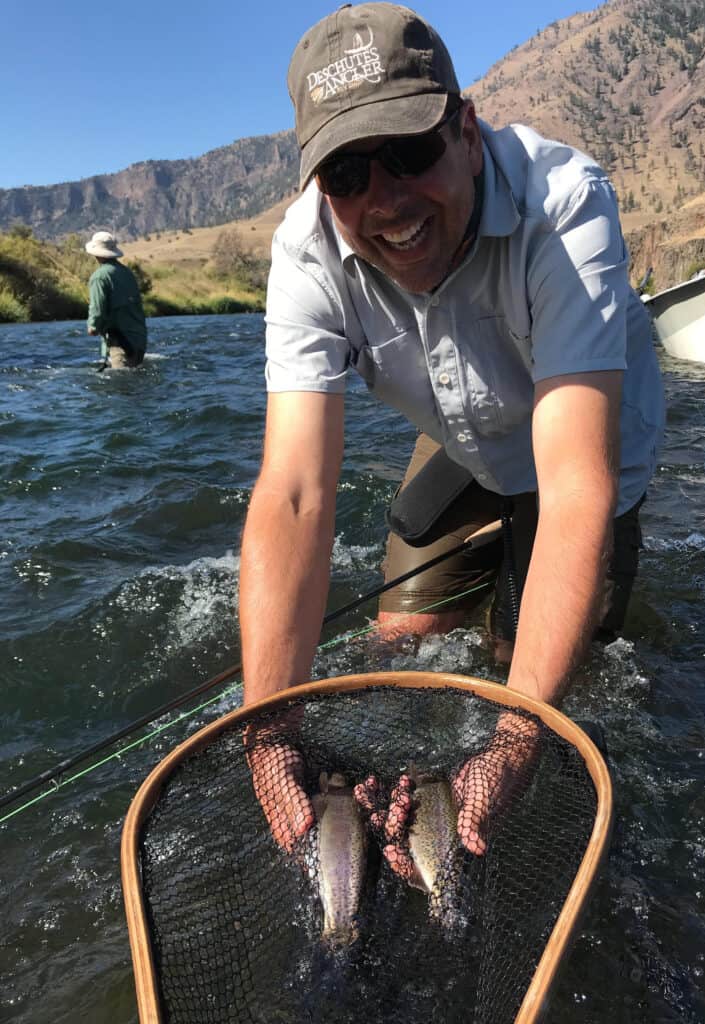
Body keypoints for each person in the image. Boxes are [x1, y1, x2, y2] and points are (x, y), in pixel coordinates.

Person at [240, 3, 665, 866]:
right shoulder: (305, 252)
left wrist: (513, 741)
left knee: (529, 674)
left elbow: (578, 488)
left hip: (583, 440)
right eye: (347, 174)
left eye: (409, 153)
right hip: (463, 437)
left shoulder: (565, 204)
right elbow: (293, 494)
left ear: (466, 130)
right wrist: (268, 731)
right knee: (399, 645)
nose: (385, 200)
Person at [85, 231, 147, 368]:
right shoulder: (127, 272)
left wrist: (93, 327)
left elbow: (97, 309)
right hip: (139, 340)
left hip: (121, 343)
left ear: (96, 253)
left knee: (120, 384)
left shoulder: (99, 277)